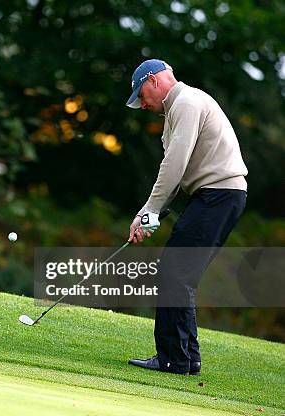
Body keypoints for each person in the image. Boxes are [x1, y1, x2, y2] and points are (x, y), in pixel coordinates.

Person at [125, 59, 247, 375]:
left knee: (174, 273)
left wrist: (148, 211)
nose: (143, 104)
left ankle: (174, 359)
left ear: (153, 81)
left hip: (219, 195)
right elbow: (177, 176)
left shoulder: (187, 103)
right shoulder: (177, 111)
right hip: (215, 196)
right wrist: (152, 216)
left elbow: (174, 166)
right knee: (179, 274)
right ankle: (186, 358)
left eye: (142, 95)